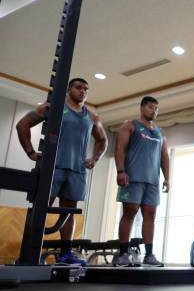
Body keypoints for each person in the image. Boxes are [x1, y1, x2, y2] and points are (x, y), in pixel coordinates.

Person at [16, 78, 108, 265]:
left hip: (76, 170)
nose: (82, 91)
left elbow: (102, 140)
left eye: (86, 89)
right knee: (41, 208)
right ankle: (30, 253)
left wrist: (95, 159)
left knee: (68, 211)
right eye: (78, 87)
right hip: (53, 167)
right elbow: (22, 125)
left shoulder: (91, 116)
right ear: (68, 90)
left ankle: (66, 253)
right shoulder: (53, 107)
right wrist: (31, 152)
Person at [114, 96, 170, 267]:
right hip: (133, 177)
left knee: (151, 215)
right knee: (130, 212)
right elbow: (119, 148)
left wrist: (167, 178)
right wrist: (120, 171)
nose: (154, 111)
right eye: (151, 107)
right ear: (142, 108)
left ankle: (149, 255)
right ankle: (123, 253)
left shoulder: (160, 133)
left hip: (152, 181)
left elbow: (164, 157)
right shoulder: (130, 126)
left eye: (156, 108)